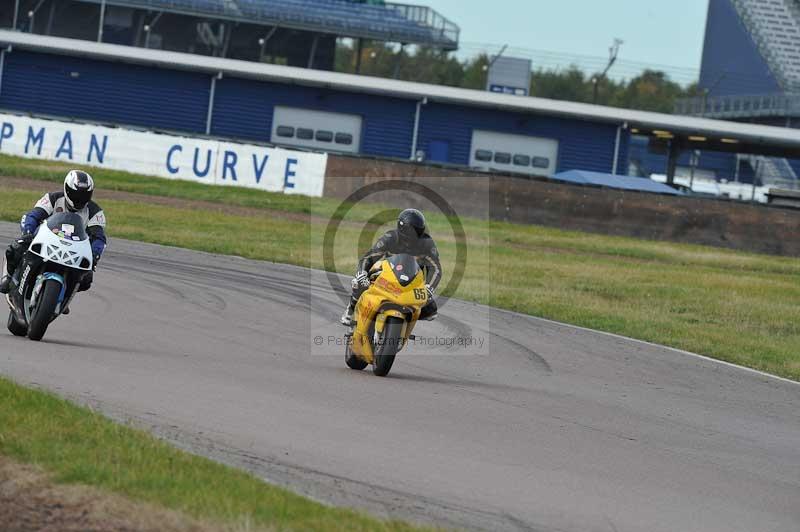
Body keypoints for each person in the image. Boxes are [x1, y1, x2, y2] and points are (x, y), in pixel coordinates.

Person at [0, 171, 107, 312]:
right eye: (76, 194)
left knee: (87, 278)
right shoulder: (53, 198)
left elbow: (99, 237)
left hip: (73, 249)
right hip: (46, 240)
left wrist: (95, 254)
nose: (80, 199)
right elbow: (32, 216)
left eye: (84, 195)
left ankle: (63, 296)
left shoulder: (95, 212)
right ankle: (8, 277)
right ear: (67, 189)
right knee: (16, 248)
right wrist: (28, 233)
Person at [341, 208, 441, 326]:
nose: (416, 234)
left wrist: (429, 287)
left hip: (412, 285)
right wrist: (362, 272)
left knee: (431, 312)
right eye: (413, 230)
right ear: (403, 229)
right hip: (387, 277)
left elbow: (436, 268)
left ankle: (404, 323)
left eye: (418, 231)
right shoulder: (390, 237)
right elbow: (369, 257)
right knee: (360, 282)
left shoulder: (427, 244)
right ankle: (351, 308)